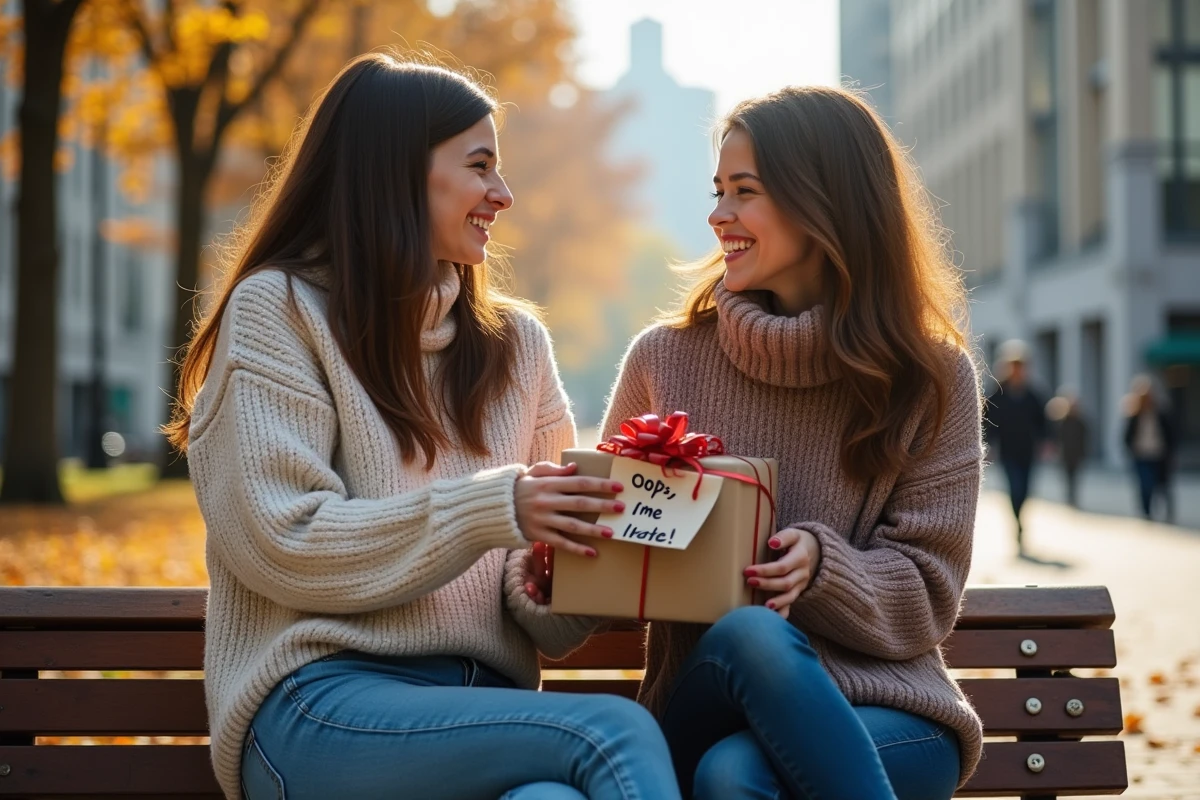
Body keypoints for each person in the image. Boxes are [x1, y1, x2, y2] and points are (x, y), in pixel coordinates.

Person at [164, 54, 681, 800]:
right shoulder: (277, 312)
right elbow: (286, 542)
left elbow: (543, 622)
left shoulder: (519, 347)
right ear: (397, 172)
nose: (503, 194)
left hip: (482, 715)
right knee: (616, 730)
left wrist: (590, 554)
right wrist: (494, 508)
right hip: (321, 706)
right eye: (480, 166)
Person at [531, 86, 983, 799]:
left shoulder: (930, 379)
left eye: (744, 192)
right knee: (751, 636)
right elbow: (607, 546)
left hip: (890, 714)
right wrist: (569, 550)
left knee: (735, 776)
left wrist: (822, 569)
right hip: (705, 699)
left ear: (825, 203)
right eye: (717, 191)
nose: (718, 216)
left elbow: (929, 593)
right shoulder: (665, 360)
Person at [984, 341, 1047, 554]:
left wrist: (1047, 442)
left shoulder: (1033, 395)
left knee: (1026, 490)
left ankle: (1020, 518)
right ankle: (1017, 523)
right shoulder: (997, 395)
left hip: (1028, 451)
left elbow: (1043, 422)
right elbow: (987, 422)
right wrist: (988, 446)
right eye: (1014, 366)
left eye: (1021, 366)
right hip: (1008, 451)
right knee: (1015, 488)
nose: (1018, 371)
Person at [1123, 376, 1177, 522]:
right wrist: (1131, 450)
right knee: (1145, 484)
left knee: (1162, 485)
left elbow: (1171, 434)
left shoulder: (1161, 413)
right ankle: (1147, 512)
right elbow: (1126, 436)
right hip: (1141, 455)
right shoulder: (1134, 415)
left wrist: (1170, 452)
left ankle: (1167, 512)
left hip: (1159, 454)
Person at [1048, 388, 1088, 508]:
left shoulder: (1081, 422)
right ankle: (1069, 496)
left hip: (1076, 454)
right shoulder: (1062, 422)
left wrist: (1083, 452)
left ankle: (1073, 497)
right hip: (1065, 454)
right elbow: (1057, 437)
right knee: (1067, 476)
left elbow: (1085, 438)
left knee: (1075, 477)